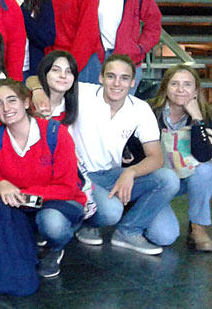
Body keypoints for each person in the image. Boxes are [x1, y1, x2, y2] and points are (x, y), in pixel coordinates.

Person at [61, 55, 180, 254]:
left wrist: (130, 172)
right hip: (79, 175)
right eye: (111, 76)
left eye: (124, 78)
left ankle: (128, 231)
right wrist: (38, 91)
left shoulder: (140, 108)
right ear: (100, 78)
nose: (117, 83)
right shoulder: (82, 92)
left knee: (169, 180)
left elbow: (156, 157)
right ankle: (87, 224)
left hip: (111, 174)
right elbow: (40, 79)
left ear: (133, 82)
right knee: (110, 211)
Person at [0, 79, 87, 279]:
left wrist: (24, 194)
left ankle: (56, 247)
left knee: (51, 223)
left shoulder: (55, 134)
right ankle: (31, 238)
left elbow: (68, 187)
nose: (6, 108)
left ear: (26, 103)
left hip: (58, 202)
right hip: (21, 205)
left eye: (12, 100)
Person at [148, 65, 212, 252]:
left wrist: (197, 118)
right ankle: (138, 212)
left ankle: (198, 228)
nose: (181, 89)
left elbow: (204, 155)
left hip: (183, 178)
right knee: (164, 236)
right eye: (174, 83)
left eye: (187, 84)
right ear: (165, 87)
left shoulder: (205, 114)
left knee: (205, 169)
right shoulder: (150, 110)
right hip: (156, 180)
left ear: (196, 90)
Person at [31, 50, 79, 126]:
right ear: (45, 73)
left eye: (69, 71)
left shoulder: (74, 106)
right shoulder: (28, 102)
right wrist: (36, 90)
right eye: (56, 70)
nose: (63, 75)